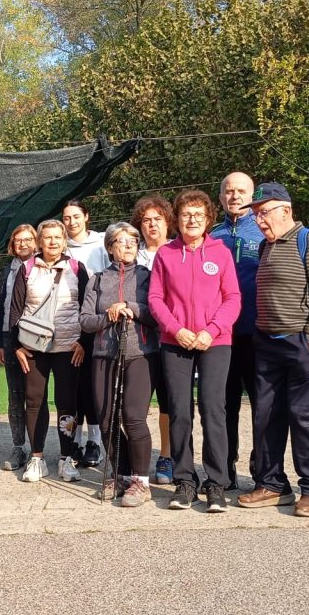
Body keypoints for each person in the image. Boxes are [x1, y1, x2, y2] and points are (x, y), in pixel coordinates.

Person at [236, 183, 309, 517]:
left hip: (300, 343)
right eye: (256, 214)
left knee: (305, 417)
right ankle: (271, 484)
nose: (259, 220)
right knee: (266, 416)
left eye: (264, 212)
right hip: (266, 344)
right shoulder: (266, 246)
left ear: (286, 210)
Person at [148, 190, 240, 512]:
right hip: (175, 341)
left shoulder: (221, 253)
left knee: (213, 410)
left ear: (208, 219)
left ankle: (216, 483)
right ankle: (185, 481)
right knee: (179, 411)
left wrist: (210, 331)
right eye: (187, 214)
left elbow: (232, 298)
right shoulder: (166, 254)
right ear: (177, 218)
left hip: (215, 342)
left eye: (199, 214)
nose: (192, 220)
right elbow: (155, 299)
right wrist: (177, 330)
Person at [79, 222, 159, 507]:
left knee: (133, 417)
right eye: (122, 241)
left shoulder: (148, 276)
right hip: (104, 354)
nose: (128, 246)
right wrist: (108, 317)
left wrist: (131, 308)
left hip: (140, 353)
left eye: (133, 241)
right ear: (110, 247)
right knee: (106, 418)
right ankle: (122, 474)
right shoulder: (98, 279)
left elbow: (157, 313)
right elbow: (85, 320)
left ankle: (141, 481)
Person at [9, 220, 90, 483]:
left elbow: (88, 307)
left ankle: (66, 458)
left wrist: (84, 342)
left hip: (69, 347)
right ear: (39, 241)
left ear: (64, 241)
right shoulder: (26, 269)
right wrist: (17, 346)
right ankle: (37, 458)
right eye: (48, 237)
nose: (53, 242)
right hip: (34, 348)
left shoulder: (77, 269)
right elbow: (15, 309)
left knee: (67, 402)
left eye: (57, 237)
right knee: (34, 400)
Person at [210, 172, 263, 490]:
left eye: (242, 191)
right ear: (220, 198)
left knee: (262, 405)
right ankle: (224, 469)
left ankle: (262, 471)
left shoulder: (265, 229)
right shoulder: (212, 236)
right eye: (229, 191)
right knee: (223, 405)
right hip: (222, 337)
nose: (235, 196)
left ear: (252, 195)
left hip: (258, 333)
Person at [130, 194, 175, 485]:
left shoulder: (178, 251)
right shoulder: (131, 254)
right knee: (137, 405)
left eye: (157, 219)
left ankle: (167, 456)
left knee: (169, 403)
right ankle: (135, 461)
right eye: (146, 220)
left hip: (172, 339)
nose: (152, 225)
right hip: (139, 342)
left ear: (168, 221)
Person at [61, 200, 106, 466]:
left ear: (86, 216)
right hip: (68, 325)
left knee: (93, 388)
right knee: (73, 389)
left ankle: (95, 442)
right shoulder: (60, 245)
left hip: (96, 324)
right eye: (67, 218)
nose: (72, 222)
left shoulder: (101, 243)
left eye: (76, 216)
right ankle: (75, 442)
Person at [0, 224, 38, 471]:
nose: (23, 244)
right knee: (15, 394)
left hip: (37, 338)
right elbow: (1, 306)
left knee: (36, 394)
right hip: (10, 338)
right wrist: (1, 342)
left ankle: (38, 449)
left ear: (36, 242)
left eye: (28, 239)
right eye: (18, 240)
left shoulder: (42, 266)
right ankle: (18, 446)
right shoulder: (8, 270)